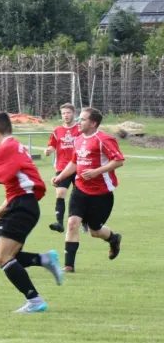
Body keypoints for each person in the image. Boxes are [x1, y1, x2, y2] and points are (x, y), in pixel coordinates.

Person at [0, 111, 62, 313]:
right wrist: (4, 205)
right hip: (18, 204)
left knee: (3, 257)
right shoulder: (16, 146)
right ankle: (44, 259)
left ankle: (35, 301)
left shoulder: (6, 148)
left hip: (22, 207)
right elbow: (21, 181)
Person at [52, 107, 125, 273]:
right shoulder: (78, 139)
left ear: (93, 123)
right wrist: (61, 176)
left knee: (94, 231)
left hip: (101, 195)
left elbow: (119, 161)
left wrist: (96, 172)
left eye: (83, 119)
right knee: (72, 223)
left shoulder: (104, 139)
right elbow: (74, 162)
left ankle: (114, 239)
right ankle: (69, 266)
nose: (79, 122)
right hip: (80, 190)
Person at [44, 103, 82, 233]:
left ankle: (85, 222)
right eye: (63, 113)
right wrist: (48, 150)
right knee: (60, 193)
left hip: (79, 166)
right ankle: (59, 223)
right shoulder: (57, 131)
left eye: (68, 113)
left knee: (79, 196)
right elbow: (52, 146)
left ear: (74, 114)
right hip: (62, 167)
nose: (65, 115)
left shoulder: (80, 129)